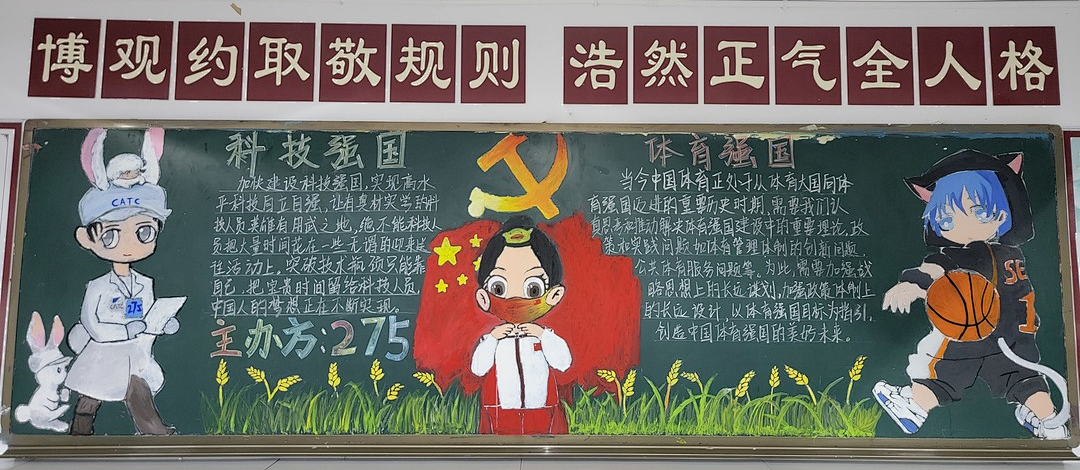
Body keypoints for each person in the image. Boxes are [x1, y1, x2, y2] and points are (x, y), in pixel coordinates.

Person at [875, 149, 1067, 439]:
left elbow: (935, 269)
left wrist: (912, 284)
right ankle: (1049, 422)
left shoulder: (970, 253)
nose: (963, 225)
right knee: (1025, 379)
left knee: (941, 370)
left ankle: (914, 405)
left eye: (978, 212)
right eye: (947, 219)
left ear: (1001, 215)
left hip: (976, 331)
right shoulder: (1012, 254)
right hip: (1018, 337)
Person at [63, 180, 179, 436]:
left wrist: (162, 323)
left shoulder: (145, 283)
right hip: (103, 351)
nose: (128, 246)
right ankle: (79, 433)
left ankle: (154, 431)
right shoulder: (97, 286)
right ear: (87, 238)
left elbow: (146, 316)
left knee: (137, 386)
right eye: (111, 235)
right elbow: (91, 323)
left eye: (144, 233)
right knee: (92, 393)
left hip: (134, 351)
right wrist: (124, 331)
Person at [470, 215, 571, 434]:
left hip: (541, 407)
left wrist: (543, 335)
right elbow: (478, 368)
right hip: (500, 409)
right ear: (484, 297)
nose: (515, 299)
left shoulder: (543, 336)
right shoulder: (493, 339)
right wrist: (493, 338)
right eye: (499, 288)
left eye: (533, 289)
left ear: (554, 294)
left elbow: (563, 362)